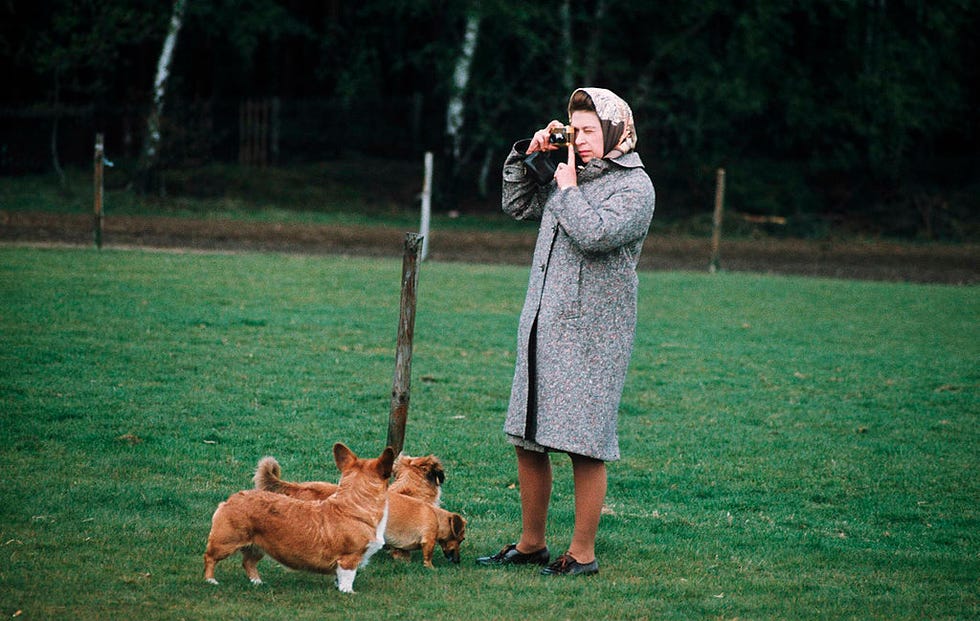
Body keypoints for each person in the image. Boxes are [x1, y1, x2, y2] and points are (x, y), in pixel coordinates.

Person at [476, 87, 655, 576]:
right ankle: (531, 543)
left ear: (618, 130)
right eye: (576, 131)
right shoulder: (565, 173)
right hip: (542, 322)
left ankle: (582, 554)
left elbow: (595, 235)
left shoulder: (635, 187)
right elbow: (516, 205)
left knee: (583, 443)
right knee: (529, 437)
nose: (583, 140)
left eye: (592, 131)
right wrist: (527, 156)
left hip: (594, 335)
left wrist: (570, 186)